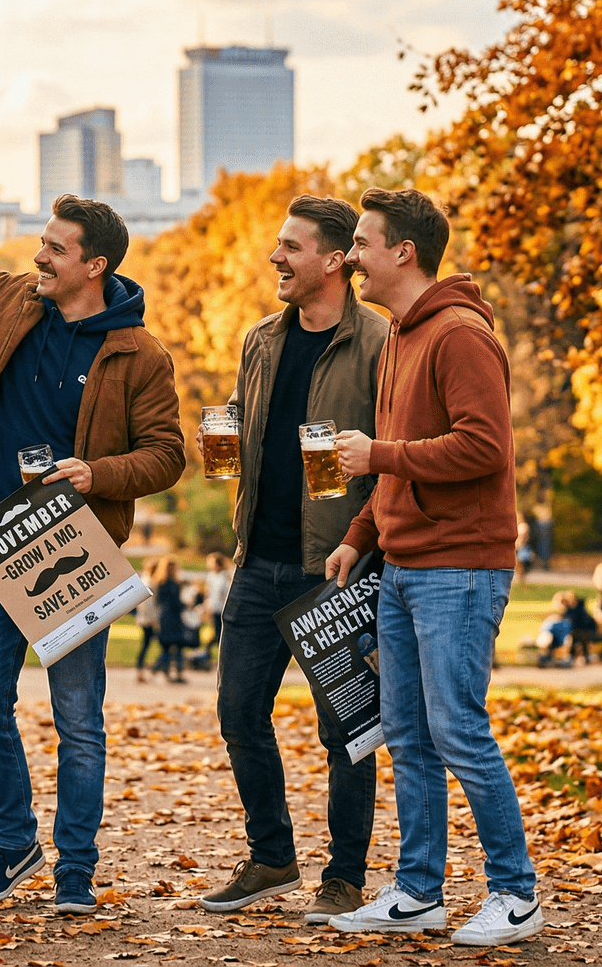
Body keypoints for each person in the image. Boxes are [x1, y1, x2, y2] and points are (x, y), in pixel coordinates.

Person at [0, 100, 185, 914]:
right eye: (41, 243)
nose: (39, 256)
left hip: (76, 545)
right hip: (0, 538)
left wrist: (96, 473)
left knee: (79, 719)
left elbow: (169, 454)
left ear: (94, 265)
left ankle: (75, 867)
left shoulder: (138, 352)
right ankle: (14, 840)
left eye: (55, 249)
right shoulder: (8, 302)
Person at [324, 187, 543, 945]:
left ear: (402, 252)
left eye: (360, 242)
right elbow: (395, 463)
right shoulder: (400, 337)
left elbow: (485, 447)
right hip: (406, 565)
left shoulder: (458, 335)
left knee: (458, 731)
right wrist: (360, 533)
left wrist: (379, 455)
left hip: (461, 568)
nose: (350, 256)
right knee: (410, 735)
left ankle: (517, 894)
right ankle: (418, 892)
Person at [202, 194, 388, 919]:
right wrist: (224, 440)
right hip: (258, 560)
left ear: (334, 260)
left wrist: (357, 542)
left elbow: (389, 460)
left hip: (336, 565)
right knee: (238, 712)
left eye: (291, 246)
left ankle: (344, 875)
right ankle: (272, 854)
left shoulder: (379, 343)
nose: (275, 257)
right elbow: (246, 421)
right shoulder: (260, 339)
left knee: (346, 727)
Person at [148, 558, 188, 684]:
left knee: (166, 646)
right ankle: (177, 672)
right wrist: (185, 605)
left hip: (164, 616)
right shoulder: (174, 584)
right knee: (178, 645)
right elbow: (176, 602)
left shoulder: (160, 582)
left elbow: (158, 601)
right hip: (173, 617)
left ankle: (161, 667)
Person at [200, 552, 231, 666]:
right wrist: (206, 606)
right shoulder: (211, 576)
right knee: (217, 632)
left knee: (220, 633)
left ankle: (216, 655)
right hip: (214, 608)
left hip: (223, 609)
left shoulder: (225, 575)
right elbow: (208, 593)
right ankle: (214, 655)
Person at [535, 596, 572, 667]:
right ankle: (543, 657)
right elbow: (543, 632)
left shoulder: (567, 620)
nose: (562, 607)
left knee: (568, 639)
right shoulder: (551, 618)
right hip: (549, 638)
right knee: (546, 637)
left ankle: (563, 659)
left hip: (560, 640)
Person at [514, 518, 534, 583]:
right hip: (520, 547)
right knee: (518, 563)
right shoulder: (520, 526)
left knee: (520, 563)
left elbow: (523, 538)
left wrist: (519, 544)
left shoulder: (523, 527)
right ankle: (520, 577)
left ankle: (521, 577)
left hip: (522, 548)